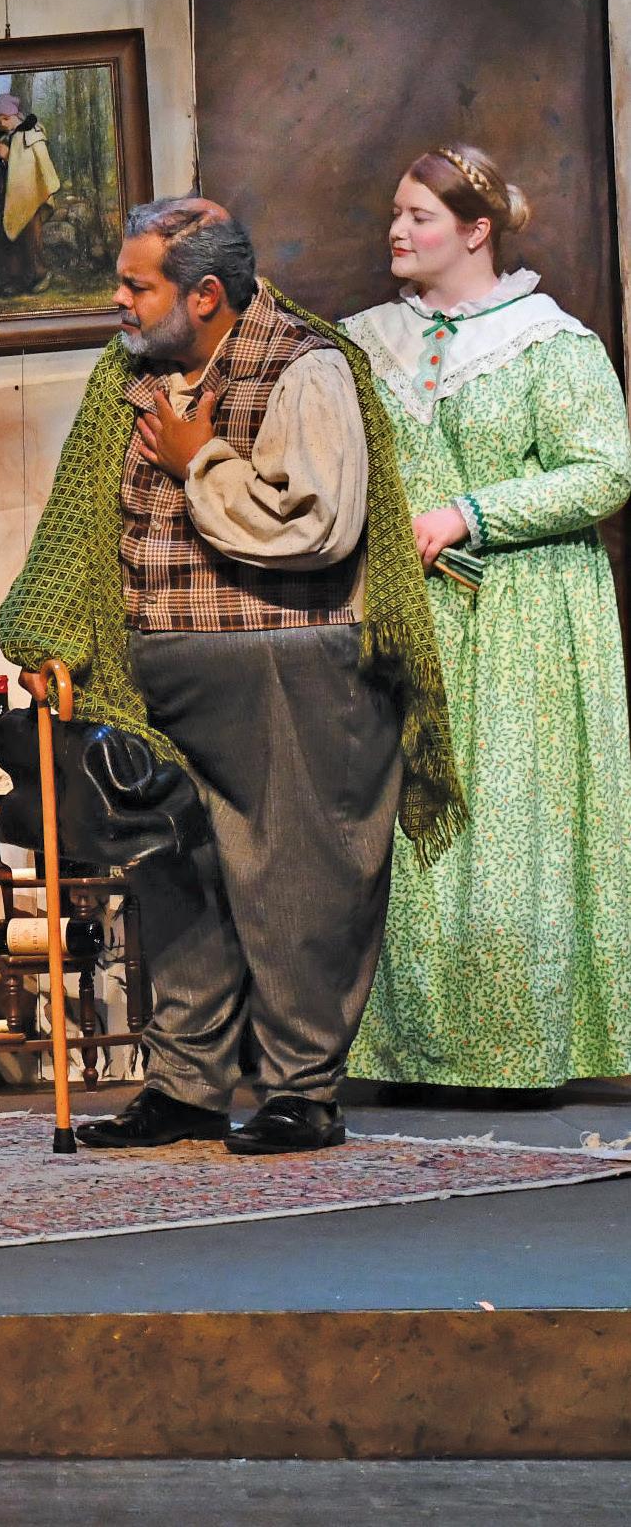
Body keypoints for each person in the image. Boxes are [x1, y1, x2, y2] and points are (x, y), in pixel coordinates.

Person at [0, 197, 462, 1154]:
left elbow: (315, 524)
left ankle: (301, 1090)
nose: (118, 301)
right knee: (175, 877)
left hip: (290, 669)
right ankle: (184, 1085)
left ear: (204, 294)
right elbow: (83, 524)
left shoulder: (304, 364)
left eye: (137, 285)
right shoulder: (126, 375)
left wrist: (198, 460)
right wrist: (58, 634)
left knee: (298, 881)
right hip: (158, 674)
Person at [340, 145, 631, 1099]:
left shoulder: (547, 341)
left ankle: (519, 1048)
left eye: (418, 216)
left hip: (525, 615)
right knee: (414, 828)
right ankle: (414, 1051)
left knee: (510, 826)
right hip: (407, 612)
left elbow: (605, 471)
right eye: (395, 212)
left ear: (475, 231)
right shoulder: (364, 343)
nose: (396, 230)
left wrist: (468, 513)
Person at [0, 91, 59, 296]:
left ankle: (40, 275)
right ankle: (15, 280)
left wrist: (7, 156)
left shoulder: (32, 135)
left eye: (5, 118)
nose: (2, 123)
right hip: (6, 197)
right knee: (8, 240)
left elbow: (36, 167)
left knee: (30, 240)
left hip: (29, 198)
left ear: (16, 115)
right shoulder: (3, 135)